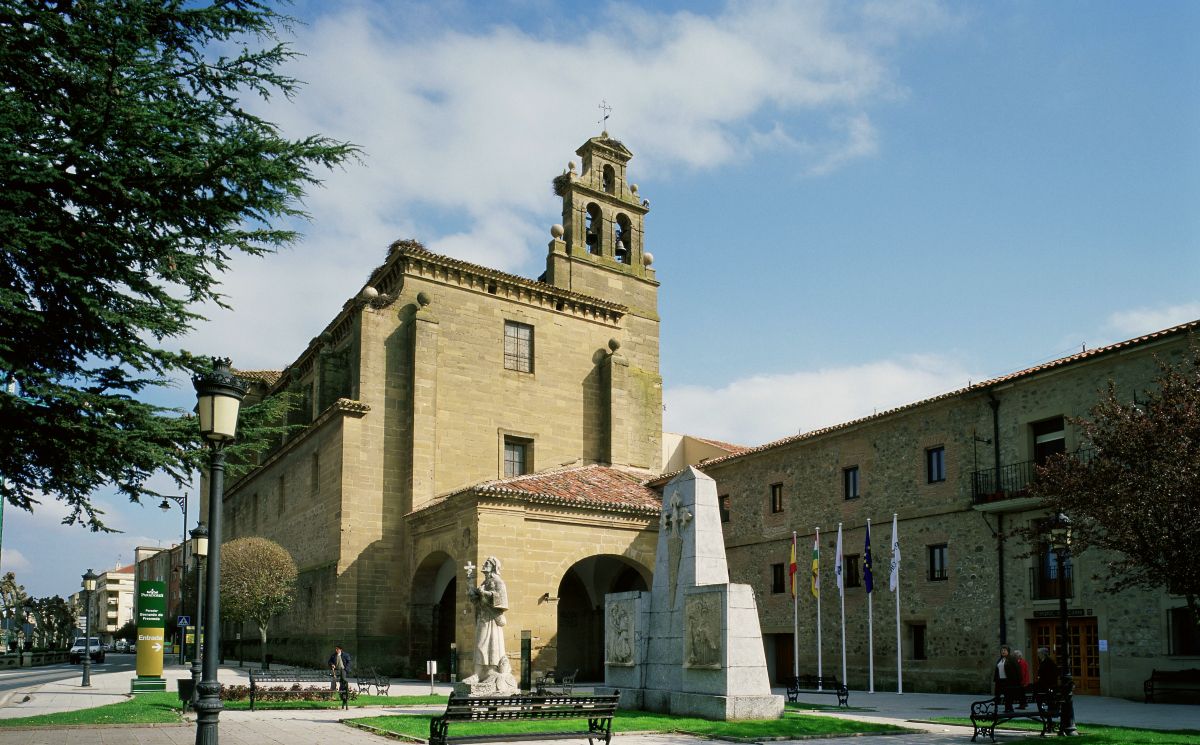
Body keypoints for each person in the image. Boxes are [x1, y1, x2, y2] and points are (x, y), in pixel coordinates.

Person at [462, 556, 512, 685]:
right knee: (480, 644)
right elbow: (476, 600)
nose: (484, 564)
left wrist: (485, 594)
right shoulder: (485, 583)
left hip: (492, 619)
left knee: (489, 645)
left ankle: (489, 671)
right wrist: (470, 583)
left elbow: (502, 599)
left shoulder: (498, 582)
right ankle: (478, 674)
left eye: (487, 563)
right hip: (483, 617)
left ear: (494, 566)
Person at [993, 644, 1020, 712]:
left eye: (1005, 650)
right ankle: (1007, 708)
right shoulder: (1000, 660)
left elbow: (1017, 669)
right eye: (1002, 650)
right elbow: (997, 670)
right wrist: (996, 679)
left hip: (1009, 680)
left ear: (1008, 651)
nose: (1003, 652)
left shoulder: (1012, 659)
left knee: (1008, 695)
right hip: (1000, 680)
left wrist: (1017, 680)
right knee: (1001, 695)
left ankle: (1008, 708)